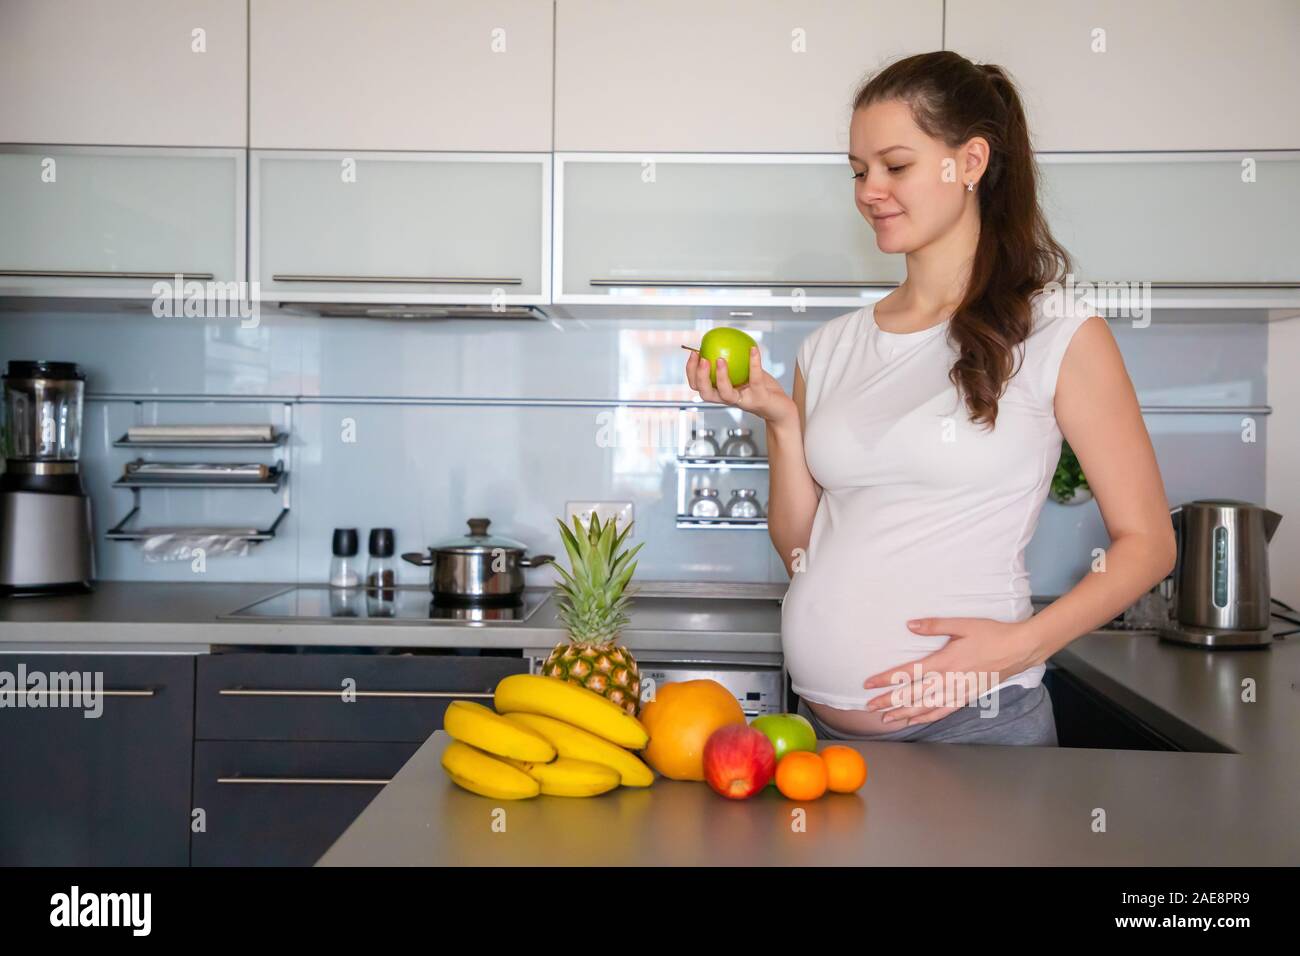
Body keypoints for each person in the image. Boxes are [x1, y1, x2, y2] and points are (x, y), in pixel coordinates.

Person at [684, 51, 1176, 745]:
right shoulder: (830, 348)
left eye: (896, 165)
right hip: (821, 736)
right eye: (858, 171)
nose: (868, 190)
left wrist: (1020, 645)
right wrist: (784, 426)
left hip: (975, 731)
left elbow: (1149, 545)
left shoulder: (1059, 331)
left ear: (969, 162)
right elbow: (803, 550)